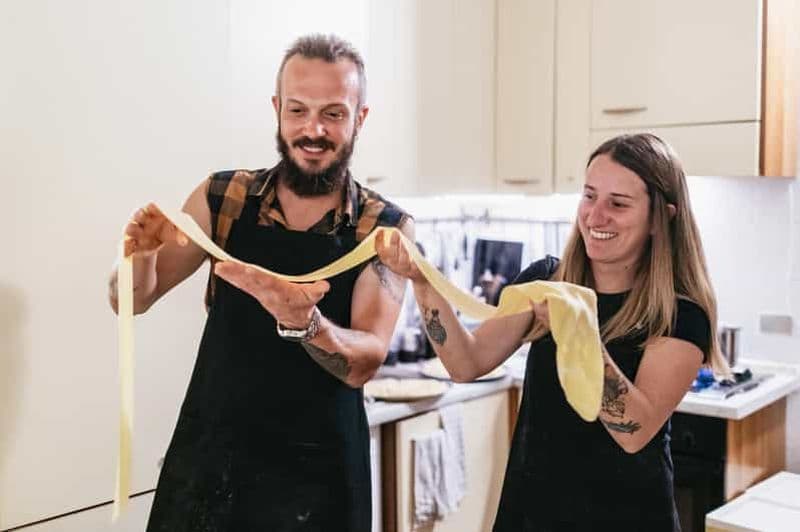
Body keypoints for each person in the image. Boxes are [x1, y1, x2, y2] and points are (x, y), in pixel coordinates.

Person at [108, 34, 413, 531]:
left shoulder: (382, 229)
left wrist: (306, 323)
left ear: (360, 117)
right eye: (298, 110)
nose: (312, 129)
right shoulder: (222, 198)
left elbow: (366, 360)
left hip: (319, 482)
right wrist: (139, 260)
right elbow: (131, 301)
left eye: (333, 114)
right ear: (277, 109)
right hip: (212, 465)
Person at [376, 133, 725, 531]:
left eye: (618, 204)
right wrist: (421, 281)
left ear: (661, 219)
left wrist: (579, 335)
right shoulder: (547, 280)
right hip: (533, 514)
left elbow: (634, 432)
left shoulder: (681, 314)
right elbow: (465, 363)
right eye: (590, 196)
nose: (596, 216)